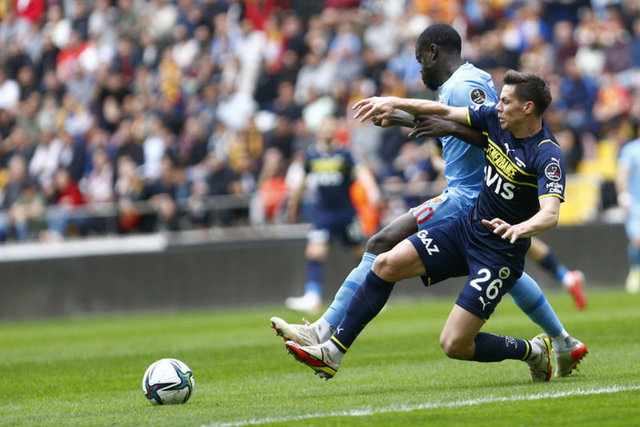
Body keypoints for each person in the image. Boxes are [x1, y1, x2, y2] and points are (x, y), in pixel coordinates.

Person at [272, 24, 586, 378]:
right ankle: (562, 340)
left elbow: (485, 135)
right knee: (410, 260)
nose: (420, 69)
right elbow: (457, 121)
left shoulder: (469, 88)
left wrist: (520, 226)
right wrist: (400, 114)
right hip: (473, 210)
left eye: (421, 59)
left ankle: (324, 328)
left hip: (470, 196)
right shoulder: (460, 89)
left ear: (433, 52)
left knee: (384, 243)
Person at [284, 116, 381, 314]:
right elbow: (302, 181)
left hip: (346, 213)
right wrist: (293, 204)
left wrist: (372, 190)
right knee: (315, 252)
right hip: (323, 214)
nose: (328, 129)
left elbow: (361, 171)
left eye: (331, 126)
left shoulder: (344, 153)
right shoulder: (311, 155)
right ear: (320, 130)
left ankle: (373, 292)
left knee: (360, 252)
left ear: (336, 130)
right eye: (325, 126)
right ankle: (313, 297)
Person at [616, 134, 640, 294]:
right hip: (636, 204)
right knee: (637, 240)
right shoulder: (631, 149)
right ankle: (636, 270)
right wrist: (623, 197)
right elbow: (622, 174)